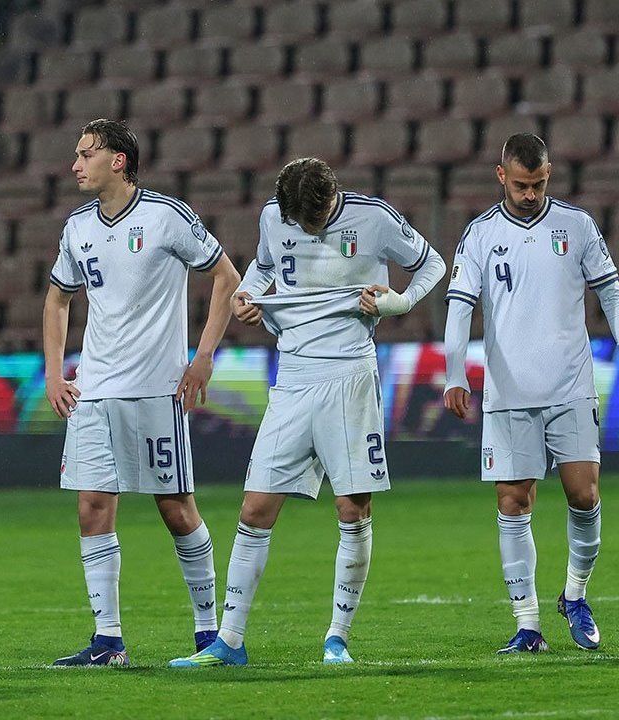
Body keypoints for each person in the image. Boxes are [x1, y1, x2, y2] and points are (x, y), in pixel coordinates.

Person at [169, 157, 447, 668]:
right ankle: (229, 641)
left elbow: (433, 264)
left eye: (313, 219)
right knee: (254, 509)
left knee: (352, 509)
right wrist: (250, 295)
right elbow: (264, 268)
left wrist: (401, 302)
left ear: (331, 198)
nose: (306, 227)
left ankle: (337, 638)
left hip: (350, 376)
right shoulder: (274, 216)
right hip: (293, 377)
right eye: (298, 220)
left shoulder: (374, 218)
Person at [442, 133, 619, 654]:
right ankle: (528, 626)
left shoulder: (576, 226)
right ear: (501, 176)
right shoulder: (480, 234)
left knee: (585, 495)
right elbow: (460, 307)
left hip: (570, 385)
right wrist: (454, 372)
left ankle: (574, 595)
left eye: (537, 183)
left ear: (549, 173)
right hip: (508, 392)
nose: (530, 194)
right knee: (514, 501)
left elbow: (612, 295)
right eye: (521, 185)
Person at [43, 119, 241, 667]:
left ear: (119, 161)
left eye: (86, 154)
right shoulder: (77, 227)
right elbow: (58, 298)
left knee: (175, 508)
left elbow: (226, 277)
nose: (75, 164)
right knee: (92, 507)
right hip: (93, 390)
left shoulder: (165, 216)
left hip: (156, 391)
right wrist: (55, 373)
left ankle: (209, 632)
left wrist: (203, 358)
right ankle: (108, 641)